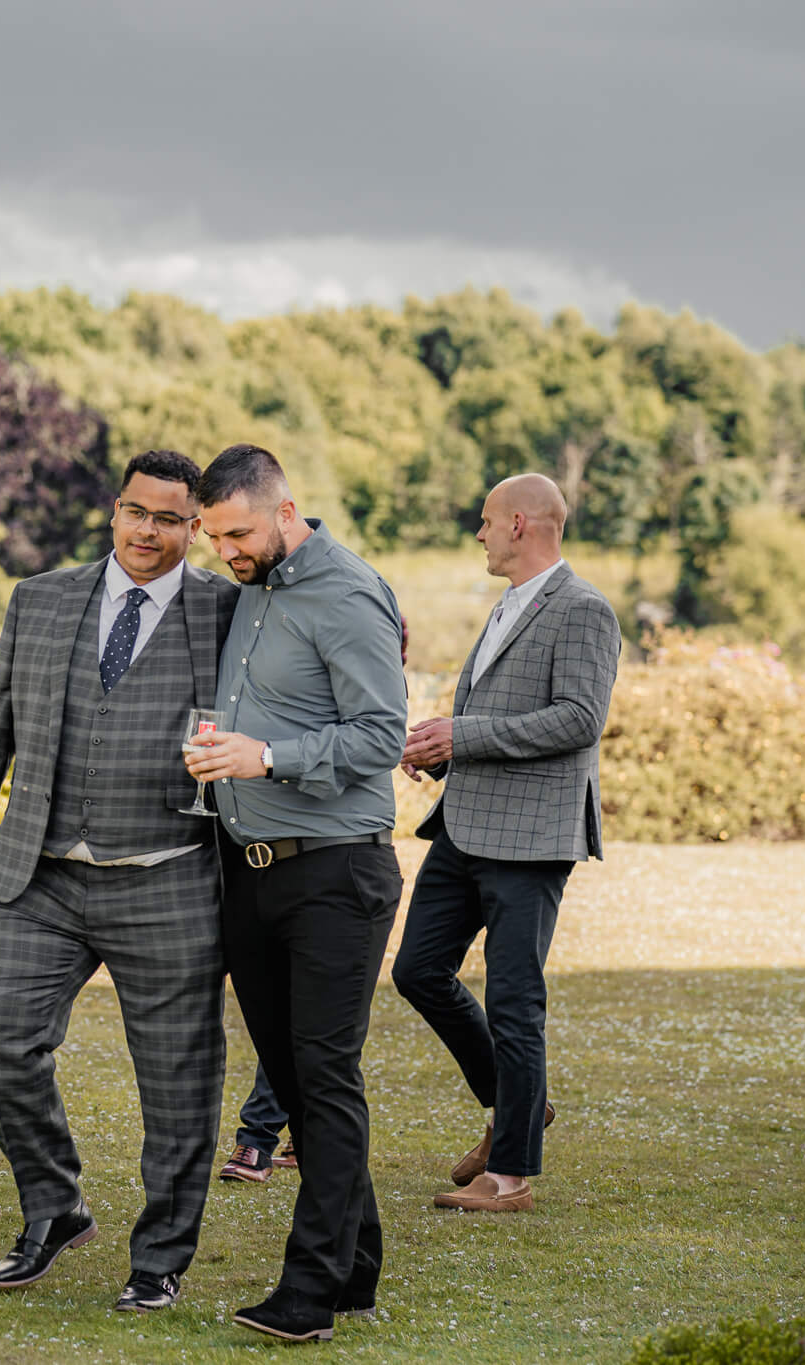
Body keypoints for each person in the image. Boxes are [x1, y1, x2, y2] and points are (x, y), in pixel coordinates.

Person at [0, 450, 240, 1314]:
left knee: (179, 1077)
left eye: (172, 519)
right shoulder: (40, 599)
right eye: (138, 513)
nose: (151, 532)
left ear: (197, 528)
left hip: (170, 874)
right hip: (40, 873)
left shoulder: (229, 611)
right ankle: (54, 1203)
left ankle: (161, 1255)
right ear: (116, 510)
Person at [184, 443, 406, 1343]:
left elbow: (383, 733)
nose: (226, 550)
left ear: (284, 511)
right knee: (291, 1076)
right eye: (213, 536)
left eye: (237, 532)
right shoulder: (255, 590)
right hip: (251, 870)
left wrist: (266, 756)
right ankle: (356, 1264)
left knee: (324, 1075)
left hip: (335, 872)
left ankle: (309, 1290)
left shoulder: (346, 592)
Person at [392, 473, 620, 1214]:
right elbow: (498, 717)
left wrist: (466, 735)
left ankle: (512, 1175)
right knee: (419, 969)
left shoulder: (583, 609)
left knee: (516, 1001)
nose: (479, 533)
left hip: (533, 837)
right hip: (465, 826)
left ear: (521, 523)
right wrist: (442, 747)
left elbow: (580, 719)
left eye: (487, 520)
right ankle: (518, 1102)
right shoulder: (505, 606)